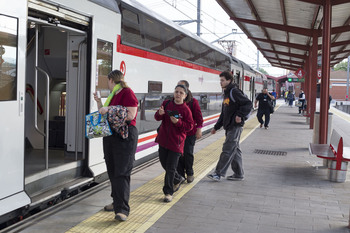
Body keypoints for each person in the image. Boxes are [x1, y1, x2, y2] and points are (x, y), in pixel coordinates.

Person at [93, 70, 138, 222]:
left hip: (124, 137)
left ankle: (122, 210)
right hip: (111, 136)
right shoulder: (113, 95)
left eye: (108, 81)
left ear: (112, 80)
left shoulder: (127, 92)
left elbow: (131, 115)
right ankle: (116, 202)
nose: (108, 84)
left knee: (122, 172)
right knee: (112, 171)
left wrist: (110, 109)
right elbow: (105, 114)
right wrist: (99, 103)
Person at [207, 71, 252, 182]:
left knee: (227, 149)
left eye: (222, 80)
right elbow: (224, 113)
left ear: (229, 80)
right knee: (234, 150)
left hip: (235, 126)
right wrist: (216, 127)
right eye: (220, 80)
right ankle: (238, 174)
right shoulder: (227, 93)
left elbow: (248, 104)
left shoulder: (234, 91)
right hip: (229, 126)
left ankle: (218, 173)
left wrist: (239, 115)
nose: (220, 82)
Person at [155, 84, 194, 202]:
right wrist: (159, 114)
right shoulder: (167, 104)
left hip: (176, 143)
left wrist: (178, 122)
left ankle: (168, 192)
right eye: (176, 92)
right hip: (163, 141)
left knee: (171, 168)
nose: (178, 94)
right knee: (164, 164)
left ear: (185, 95)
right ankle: (178, 179)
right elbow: (157, 118)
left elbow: (189, 127)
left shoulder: (186, 110)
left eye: (181, 93)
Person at [176, 80, 203, 183]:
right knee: (178, 154)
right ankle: (180, 175)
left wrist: (199, 129)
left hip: (190, 133)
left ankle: (190, 172)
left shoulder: (193, 102)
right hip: (178, 133)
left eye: (181, 88)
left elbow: (199, 117)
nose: (178, 92)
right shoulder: (175, 101)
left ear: (186, 89)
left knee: (188, 153)